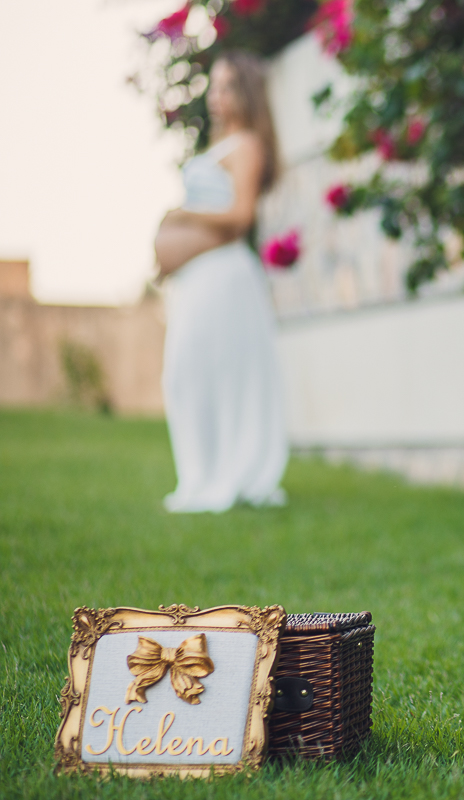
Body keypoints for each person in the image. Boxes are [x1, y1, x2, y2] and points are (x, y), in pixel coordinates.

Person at [153, 51, 288, 513]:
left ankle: (231, 471)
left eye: (228, 86)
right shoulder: (218, 145)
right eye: (215, 86)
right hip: (196, 284)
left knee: (224, 375)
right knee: (187, 374)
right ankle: (199, 472)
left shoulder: (247, 145)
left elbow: (240, 216)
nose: (217, 96)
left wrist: (180, 215)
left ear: (246, 93)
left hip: (225, 277)